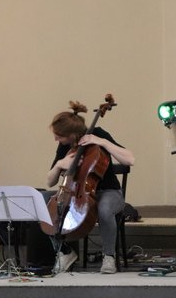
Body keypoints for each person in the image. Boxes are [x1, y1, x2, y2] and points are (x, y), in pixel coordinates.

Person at [46, 100, 135, 274]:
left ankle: (109, 256)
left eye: (59, 136)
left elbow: (130, 159)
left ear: (72, 134)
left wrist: (102, 142)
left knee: (104, 209)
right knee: (44, 203)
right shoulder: (65, 145)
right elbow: (50, 181)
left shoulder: (98, 134)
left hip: (109, 192)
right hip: (77, 193)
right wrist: (59, 164)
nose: (56, 138)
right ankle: (64, 251)